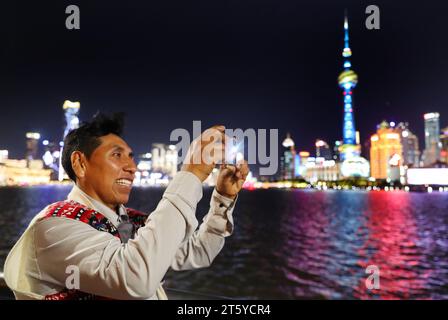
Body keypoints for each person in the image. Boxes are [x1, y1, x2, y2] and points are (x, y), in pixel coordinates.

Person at [3, 113, 249, 300]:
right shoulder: (55, 228)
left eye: (131, 157)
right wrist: (191, 173)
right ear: (79, 163)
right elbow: (136, 276)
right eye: (117, 155)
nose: (132, 167)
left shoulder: (126, 223)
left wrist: (222, 200)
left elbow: (197, 252)